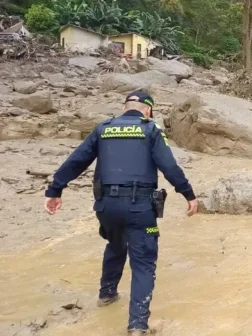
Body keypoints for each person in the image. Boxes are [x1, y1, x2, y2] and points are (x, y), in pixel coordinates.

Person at [43, 91, 198, 336]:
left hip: (106, 208)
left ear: (126, 107)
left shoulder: (103, 128)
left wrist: (55, 190)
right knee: (144, 262)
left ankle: (106, 295)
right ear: (148, 110)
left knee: (115, 244)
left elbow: (76, 161)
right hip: (140, 208)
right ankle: (137, 325)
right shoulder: (150, 130)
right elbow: (169, 166)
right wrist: (188, 194)